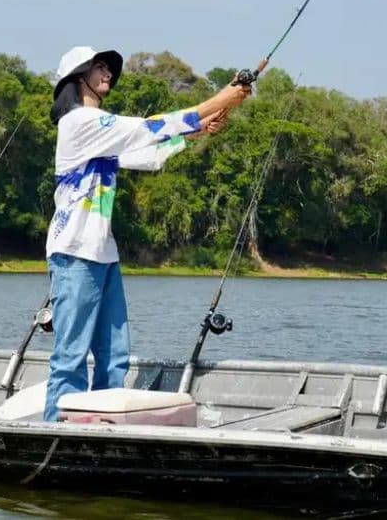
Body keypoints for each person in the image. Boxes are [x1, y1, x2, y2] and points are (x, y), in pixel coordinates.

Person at [43, 46, 251, 420]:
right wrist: (217, 100)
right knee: (71, 355)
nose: (108, 73)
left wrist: (196, 131)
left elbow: (146, 153)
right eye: (99, 67)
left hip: (103, 254)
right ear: (78, 77)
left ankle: (103, 425)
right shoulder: (78, 123)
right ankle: (56, 428)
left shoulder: (99, 131)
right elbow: (146, 126)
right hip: (73, 253)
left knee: (115, 355)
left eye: (108, 67)